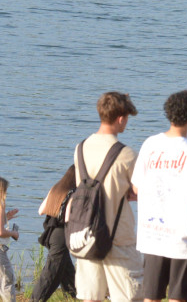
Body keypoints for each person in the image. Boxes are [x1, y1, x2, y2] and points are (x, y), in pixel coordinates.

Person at [132, 91, 187, 302]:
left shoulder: (149, 144)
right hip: (183, 241)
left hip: (152, 235)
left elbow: (136, 187)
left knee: (152, 296)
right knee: (180, 297)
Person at [73, 91, 142, 302]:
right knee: (129, 297)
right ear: (121, 118)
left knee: (91, 297)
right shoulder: (126, 154)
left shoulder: (80, 148)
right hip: (118, 236)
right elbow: (140, 190)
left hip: (85, 232)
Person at [30, 166, 77, 302]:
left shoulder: (55, 189)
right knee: (51, 273)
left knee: (65, 269)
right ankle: (35, 299)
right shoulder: (74, 193)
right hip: (62, 235)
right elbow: (68, 218)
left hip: (50, 234)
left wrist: (56, 209)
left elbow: (41, 210)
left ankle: (75, 295)